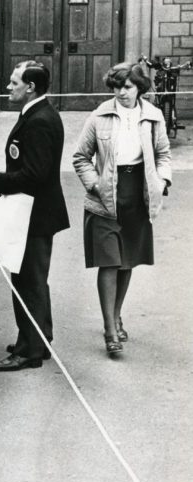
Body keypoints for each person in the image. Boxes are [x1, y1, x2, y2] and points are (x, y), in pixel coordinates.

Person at [72, 62, 171, 355]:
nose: (121, 92)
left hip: (137, 196)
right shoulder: (99, 116)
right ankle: (110, 329)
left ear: (139, 86)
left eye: (127, 87)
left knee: (126, 261)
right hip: (104, 200)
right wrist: (95, 185)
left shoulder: (153, 117)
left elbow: (163, 154)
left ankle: (116, 314)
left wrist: (161, 180)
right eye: (116, 87)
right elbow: (80, 157)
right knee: (109, 261)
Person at [0, 60, 70, 372]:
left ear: (30, 87)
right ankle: (38, 337)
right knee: (31, 279)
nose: (9, 88)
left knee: (29, 281)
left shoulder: (39, 120)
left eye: (13, 83)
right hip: (31, 212)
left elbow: (35, 173)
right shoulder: (36, 114)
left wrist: (1, 181)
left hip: (35, 214)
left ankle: (30, 350)